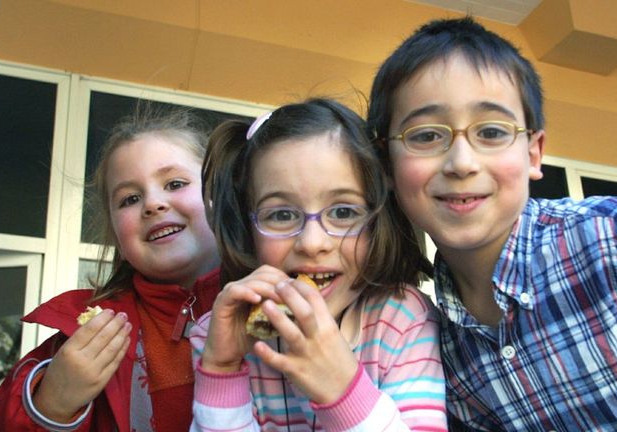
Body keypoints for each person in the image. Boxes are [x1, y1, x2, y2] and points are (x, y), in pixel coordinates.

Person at [367, 16, 617, 432]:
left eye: (491, 131)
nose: (462, 163)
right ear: (386, 166)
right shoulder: (439, 344)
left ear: (533, 153)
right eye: (425, 136)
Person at [189, 98, 447, 431]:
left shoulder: (402, 320)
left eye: (343, 212)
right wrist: (222, 369)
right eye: (281, 215)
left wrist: (343, 392)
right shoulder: (218, 335)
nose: (312, 243)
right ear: (247, 228)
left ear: (378, 219)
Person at [0, 108, 222, 431]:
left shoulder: (281, 306)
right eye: (129, 199)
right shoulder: (82, 338)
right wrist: (49, 405)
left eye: (174, 183)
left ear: (220, 196)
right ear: (115, 233)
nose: (153, 204)